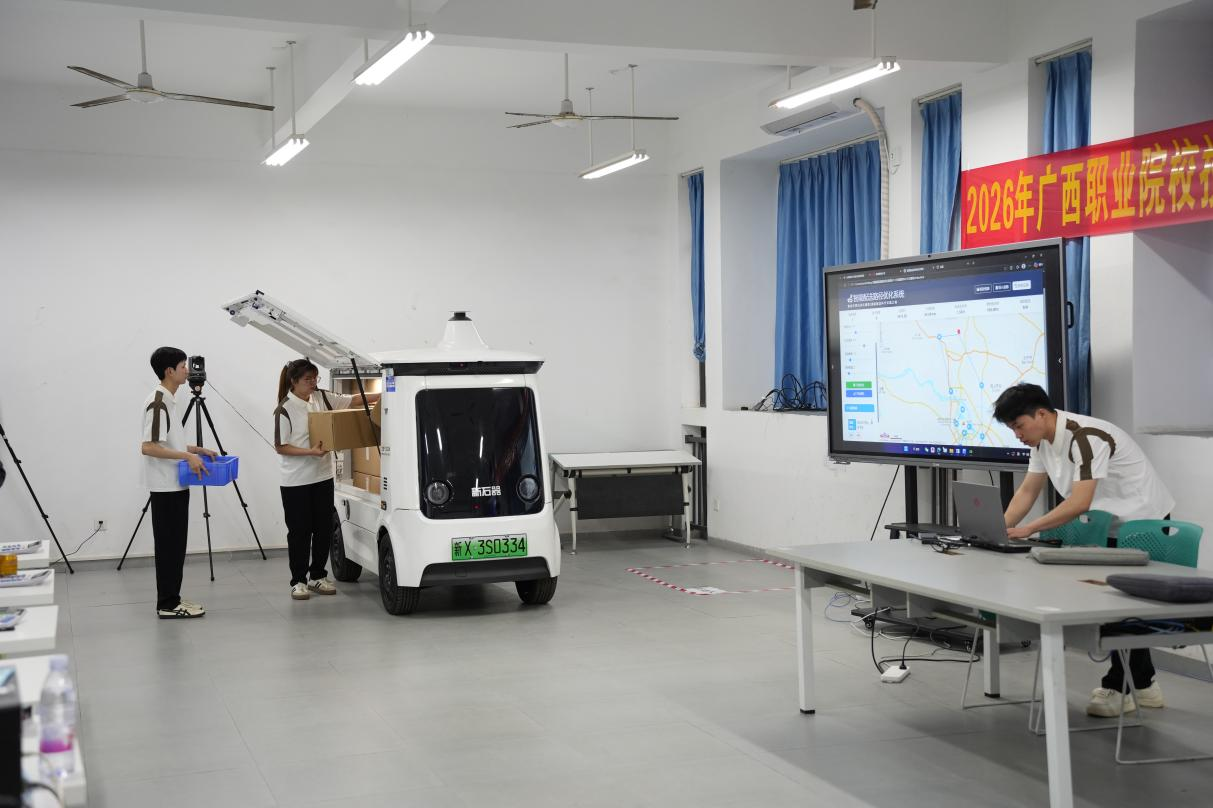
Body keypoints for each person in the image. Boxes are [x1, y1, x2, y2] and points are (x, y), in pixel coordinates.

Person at [993, 383, 1176, 717]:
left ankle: (1120, 688)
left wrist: (1030, 528)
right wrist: (996, 529)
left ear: (1041, 414)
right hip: (1110, 523)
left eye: (1019, 426)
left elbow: (1079, 503)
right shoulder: (1041, 442)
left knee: (1123, 607)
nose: (1017, 435)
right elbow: (1027, 492)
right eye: (1011, 429)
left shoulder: (1084, 436)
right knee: (1116, 604)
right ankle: (1144, 684)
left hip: (1142, 522)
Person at [274, 358, 380, 601]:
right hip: (295, 482)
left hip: (322, 477)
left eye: (315, 378)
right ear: (294, 382)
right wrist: (309, 452)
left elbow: (353, 400)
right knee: (300, 531)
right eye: (308, 379)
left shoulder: (321, 397)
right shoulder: (284, 409)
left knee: (323, 528)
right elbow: (281, 446)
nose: (313, 383)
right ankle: (298, 581)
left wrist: (386, 393)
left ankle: (317, 576)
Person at [140, 347, 217, 619]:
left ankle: (172, 598)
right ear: (169, 371)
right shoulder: (158, 403)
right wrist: (186, 456)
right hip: (165, 487)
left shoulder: (169, 400)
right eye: (183, 366)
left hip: (175, 484)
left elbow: (167, 442)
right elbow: (149, 447)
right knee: (169, 547)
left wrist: (195, 449)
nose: (188, 370)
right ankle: (167, 604)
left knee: (175, 547)